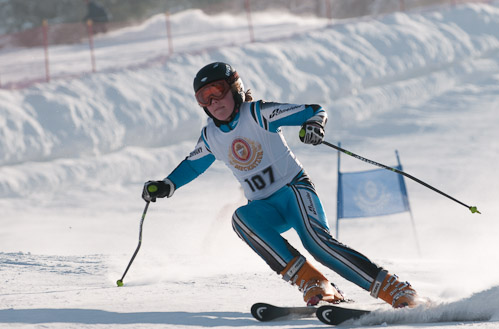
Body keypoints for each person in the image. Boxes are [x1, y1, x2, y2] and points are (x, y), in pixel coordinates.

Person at [142, 62, 417, 308]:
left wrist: (315, 125)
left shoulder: (259, 113)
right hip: (264, 207)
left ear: (235, 89)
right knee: (241, 219)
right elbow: (192, 164)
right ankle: (315, 283)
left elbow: (315, 110)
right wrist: (168, 184)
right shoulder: (211, 136)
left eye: (218, 90)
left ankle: (394, 288)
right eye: (205, 97)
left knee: (317, 244)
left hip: (294, 192)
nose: (214, 101)